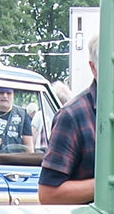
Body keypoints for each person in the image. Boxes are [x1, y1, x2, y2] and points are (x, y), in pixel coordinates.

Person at [38, 32, 98, 204]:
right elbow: (48, 194)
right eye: (113, 65)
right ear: (93, 68)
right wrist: (109, 185)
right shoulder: (72, 116)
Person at [0, 86, 33, 152]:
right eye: (1, 93)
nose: (5, 96)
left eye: (9, 93)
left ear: (13, 95)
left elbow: (29, 148)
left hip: (13, 160)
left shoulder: (22, 115)